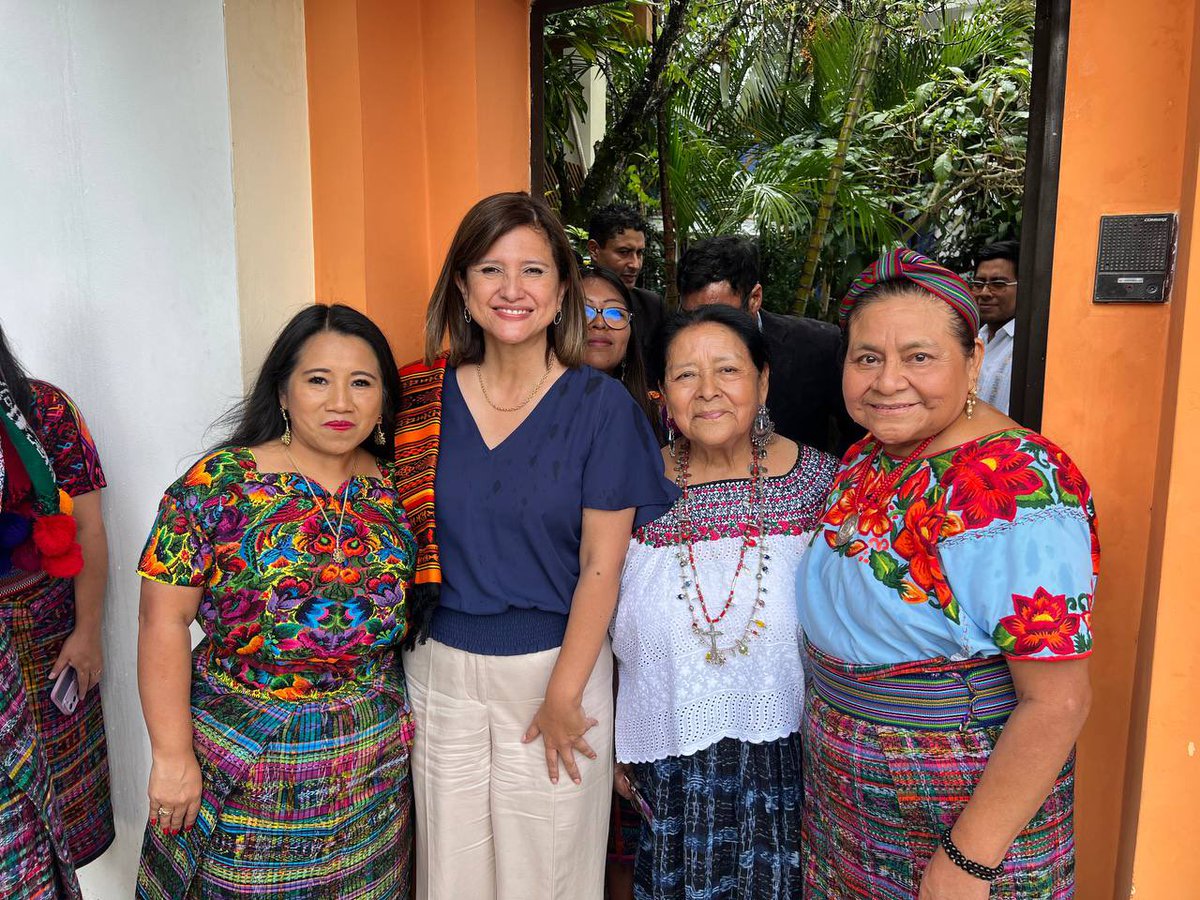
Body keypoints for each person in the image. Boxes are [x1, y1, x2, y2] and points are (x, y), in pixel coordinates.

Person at [398, 192, 676, 900]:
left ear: (561, 294)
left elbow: (601, 567)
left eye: (533, 271)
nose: (512, 289)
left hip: (556, 669)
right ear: (462, 288)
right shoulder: (419, 402)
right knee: (449, 874)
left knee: (546, 877)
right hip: (439, 675)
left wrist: (564, 693)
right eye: (491, 270)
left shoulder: (600, 408)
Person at [796, 248, 1098, 899]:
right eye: (867, 357)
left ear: (975, 363)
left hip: (955, 808)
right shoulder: (869, 457)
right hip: (847, 800)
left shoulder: (1013, 488)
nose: (887, 380)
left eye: (919, 356)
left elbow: (1058, 701)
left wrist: (969, 859)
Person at [136, 304, 417, 898]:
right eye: (319, 379)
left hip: (370, 766)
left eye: (361, 383)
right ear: (283, 391)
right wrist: (171, 754)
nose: (341, 402)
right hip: (248, 759)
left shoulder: (399, 487)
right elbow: (163, 619)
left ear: (383, 398)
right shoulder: (219, 485)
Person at [611, 304, 837, 900]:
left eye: (728, 371)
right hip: (665, 769)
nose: (707, 392)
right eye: (685, 375)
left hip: (792, 772)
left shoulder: (826, 487)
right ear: (661, 393)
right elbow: (592, 613)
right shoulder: (629, 486)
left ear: (763, 381)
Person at [0, 323, 114, 868]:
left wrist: (88, 631)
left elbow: (88, 528)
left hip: (47, 641)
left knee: (62, 815)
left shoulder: (44, 409)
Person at [677, 235, 859, 454]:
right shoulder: (673, 352)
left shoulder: (818, 347)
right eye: (692, 315)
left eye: (720, 317)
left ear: (754, 298)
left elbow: (858, 435)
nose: (705, 330)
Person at [580, 264, 662, 441]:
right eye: (584, 311)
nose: (599, 323)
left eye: (615, 314)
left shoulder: (655, 414)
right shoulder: (531, 406)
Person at [587, 203, 664, 360]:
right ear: (594, 250)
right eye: (623, 252)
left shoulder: (652, 307)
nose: (635, 264)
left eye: (640, 253)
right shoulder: (566, 301)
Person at [968, 239, 1020, 414]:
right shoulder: (973, 339)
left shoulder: (1028, 347)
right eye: (979, 284)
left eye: (998, 284)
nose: (984, 293)